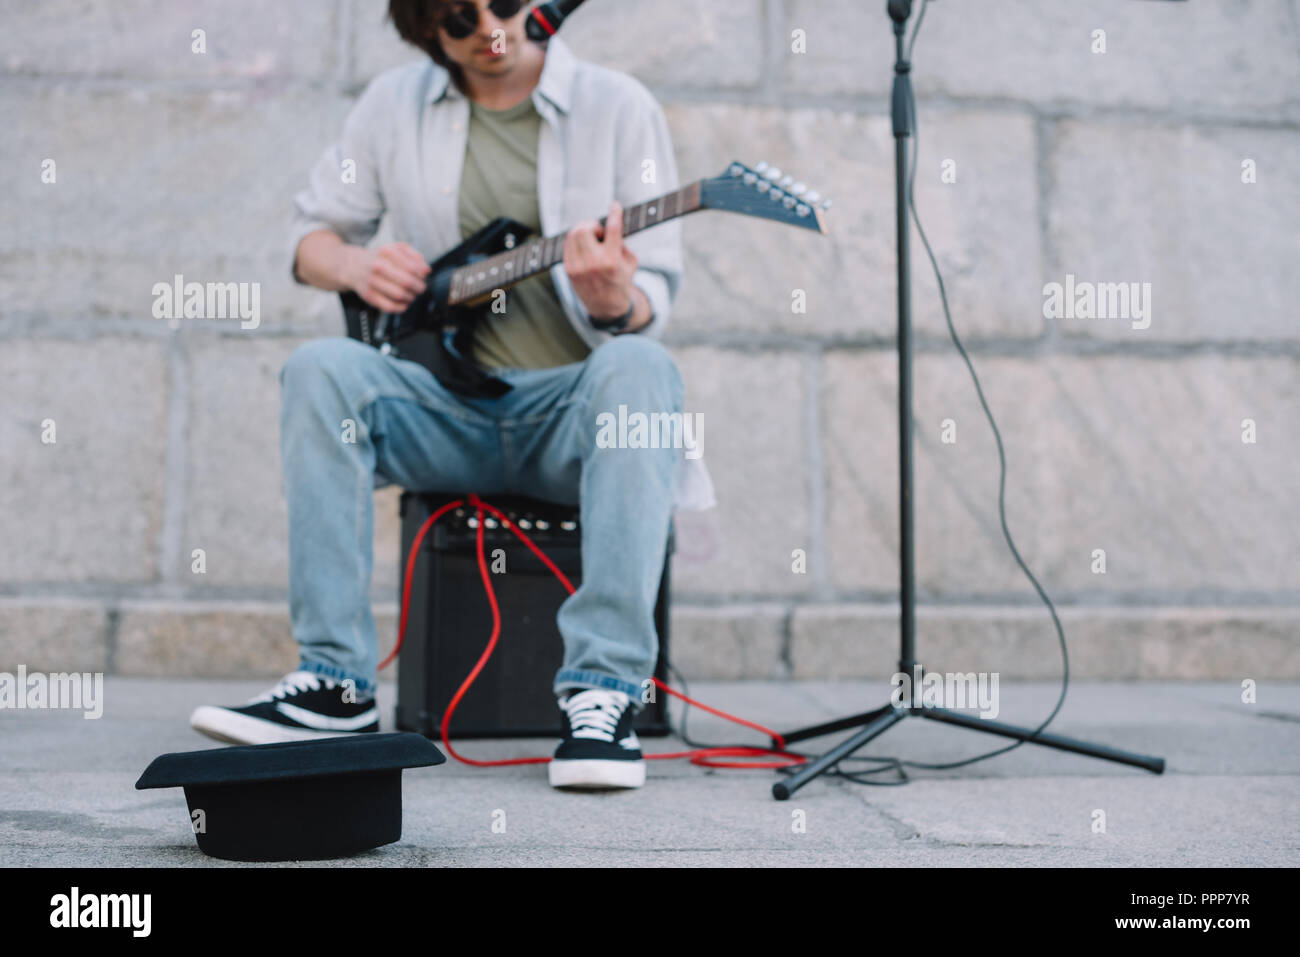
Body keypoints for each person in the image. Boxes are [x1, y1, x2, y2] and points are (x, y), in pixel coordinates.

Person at [188, 0, 713, 790]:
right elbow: (310, 240)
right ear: (427, 28)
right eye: (461, 19)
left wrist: (613, 302)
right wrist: (357, 266)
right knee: (319, 367)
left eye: (502, 5)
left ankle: (604, 694)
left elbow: (654, 299)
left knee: (642, 366)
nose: (490, 32)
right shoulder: (391, 104)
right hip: (443, 412)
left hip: (569, 422)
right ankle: (335, 683)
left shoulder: (618, 105)